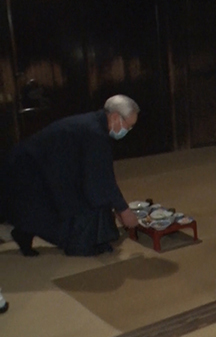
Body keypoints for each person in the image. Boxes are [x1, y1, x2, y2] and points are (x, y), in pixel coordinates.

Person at [0, 95, 140, 256]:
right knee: (46, 210)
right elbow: (103, 180)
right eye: (128, 126)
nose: (128, 131)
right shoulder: (95, 133)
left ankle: (23, 232)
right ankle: (24, 233)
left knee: (83, 199)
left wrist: (116, 205)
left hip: (38, 164)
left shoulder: (96, 125)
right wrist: (124, 210)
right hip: (26, 167)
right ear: (115, 117)